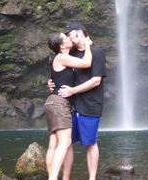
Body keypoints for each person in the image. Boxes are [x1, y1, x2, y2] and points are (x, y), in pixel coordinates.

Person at [48, 22, 107, 180]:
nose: (67, 36)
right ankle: (65, 177)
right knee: (68, 143)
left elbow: (96, 80)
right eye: (65, 35)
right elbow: (59, 69)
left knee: (91, 142)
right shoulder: (70, 52)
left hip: (90, 104)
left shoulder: (96, 52)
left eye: (69, 33)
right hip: (70, 105)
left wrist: (73, 90)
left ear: (80, 33)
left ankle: (92, 178)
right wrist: (51, 82)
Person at [46, 31, 93, 180]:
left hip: (53, 103)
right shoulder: (62, 57)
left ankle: (52, 177)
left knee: (54, 144)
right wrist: (88, 46)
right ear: (62, 45)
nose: (69, 38)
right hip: (59, 104)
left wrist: (50, 83)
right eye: (66, 38)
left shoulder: (60, 58)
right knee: (65, 142)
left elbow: (57, 78)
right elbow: (87, 63)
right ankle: (52, 178)